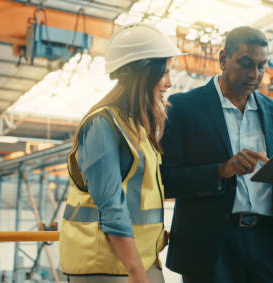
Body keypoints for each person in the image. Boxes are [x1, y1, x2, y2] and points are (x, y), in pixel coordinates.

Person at [161, 26, 273, 283]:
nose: (255, 74)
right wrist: (222, 170)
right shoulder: (183, 108)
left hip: (268, 243)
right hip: (210, 247)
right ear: (222, 60)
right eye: (245, 63)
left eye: (261, 66)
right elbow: (166, 180)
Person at [59, 23, 182, 283]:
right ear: (143, 72)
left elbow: (139, 198)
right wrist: (136, 271)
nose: (170, 82)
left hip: (137, 259)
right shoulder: (101, 124)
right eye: (165, 72)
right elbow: (111, 205)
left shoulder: (135, 126)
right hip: (106, 264)